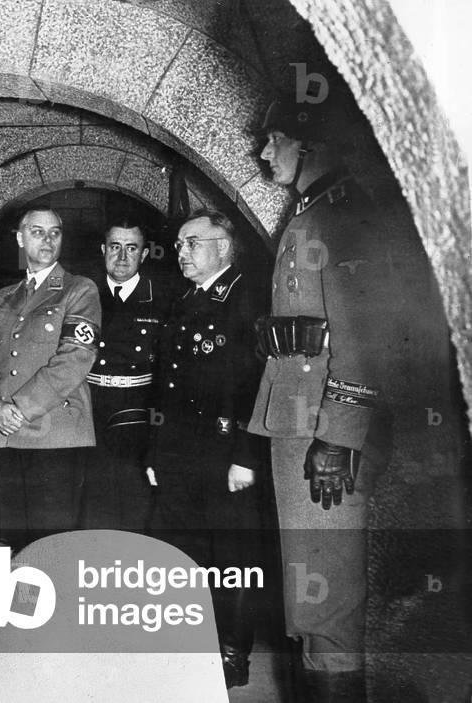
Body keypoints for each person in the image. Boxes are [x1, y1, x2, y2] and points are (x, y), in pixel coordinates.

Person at [249, 95, 393, 702]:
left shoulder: (344, 212)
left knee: (329, 601)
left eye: (274, 138)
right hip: (298, 421)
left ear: (309, 140)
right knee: (309, 600)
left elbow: (363, 336)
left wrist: (339, 435)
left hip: (324, 429)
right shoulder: (312, 211)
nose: (264, 152)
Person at [148, 209, 269, 689]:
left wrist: (246, 456)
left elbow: (256, 385)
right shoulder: (186, 300)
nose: (181, 252)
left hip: (224, 454)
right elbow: (166, 385)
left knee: (232, 559)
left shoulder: (245, 297)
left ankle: (232, 655)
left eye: (192, 243)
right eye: (179, 244)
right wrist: (156, 453)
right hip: (180, 454)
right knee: (185, 552)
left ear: (223, 246)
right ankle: (190, 646)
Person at [0, 207, 101, 548]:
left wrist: (19, 408)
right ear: (20, 238)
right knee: (14, 545)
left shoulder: (78, 289)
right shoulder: (2, 296)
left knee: (51, 545)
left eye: (55, 232)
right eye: (37, 232)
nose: (47, 239)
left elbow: (75, 358)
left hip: (54, 435)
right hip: (5, 434)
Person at [83, 220, 168, 531]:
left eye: (131, 248)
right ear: (103, 250)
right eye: (115, 247)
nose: (122, 256)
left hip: (138, 410)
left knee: (135, 502)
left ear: (144, 254)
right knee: (91, 501)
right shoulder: (82, 293)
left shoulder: (163, 299)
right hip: (89, 406)